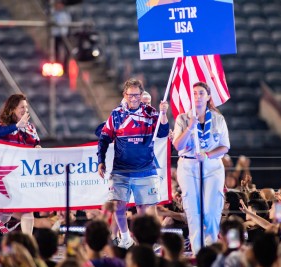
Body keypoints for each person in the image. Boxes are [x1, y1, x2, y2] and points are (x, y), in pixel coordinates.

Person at [97, 78, 169, 249]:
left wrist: (164, 114)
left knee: (144, 212)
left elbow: (163, 132)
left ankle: (143, 242)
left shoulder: (151, 113)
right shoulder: (116, 114)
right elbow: (104, 138)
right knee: (117, 204)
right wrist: (101, 161)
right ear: (125, 95)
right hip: (121, 170)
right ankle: (124, 238)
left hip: (145, 170)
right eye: (131, 95)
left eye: (137, 95)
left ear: (141, 94)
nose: (134, 98)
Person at [172, 81, 229, 253]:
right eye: (194, 93)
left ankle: (211, 250)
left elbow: (225, 147)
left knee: (211, 211)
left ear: (208, 96)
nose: (197, 96)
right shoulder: (182, 118)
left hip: (212, 166)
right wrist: (190, 127)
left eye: (201, 93)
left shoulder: (218, 119)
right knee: (193, 212)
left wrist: (208, 155)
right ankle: (198, 252)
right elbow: (177, 145)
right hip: (188, 165)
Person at [0, 93, 42, 234]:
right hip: (6, 178)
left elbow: (36, 144)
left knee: (27, 210)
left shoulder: (30, 128)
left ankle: (28, 244)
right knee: (3, 214)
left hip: (24, 175)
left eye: (26, 107)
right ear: (12, 109)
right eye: (22, 107)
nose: (25, 110)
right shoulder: (3, 126)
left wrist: (37, 148)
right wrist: (17, 126)